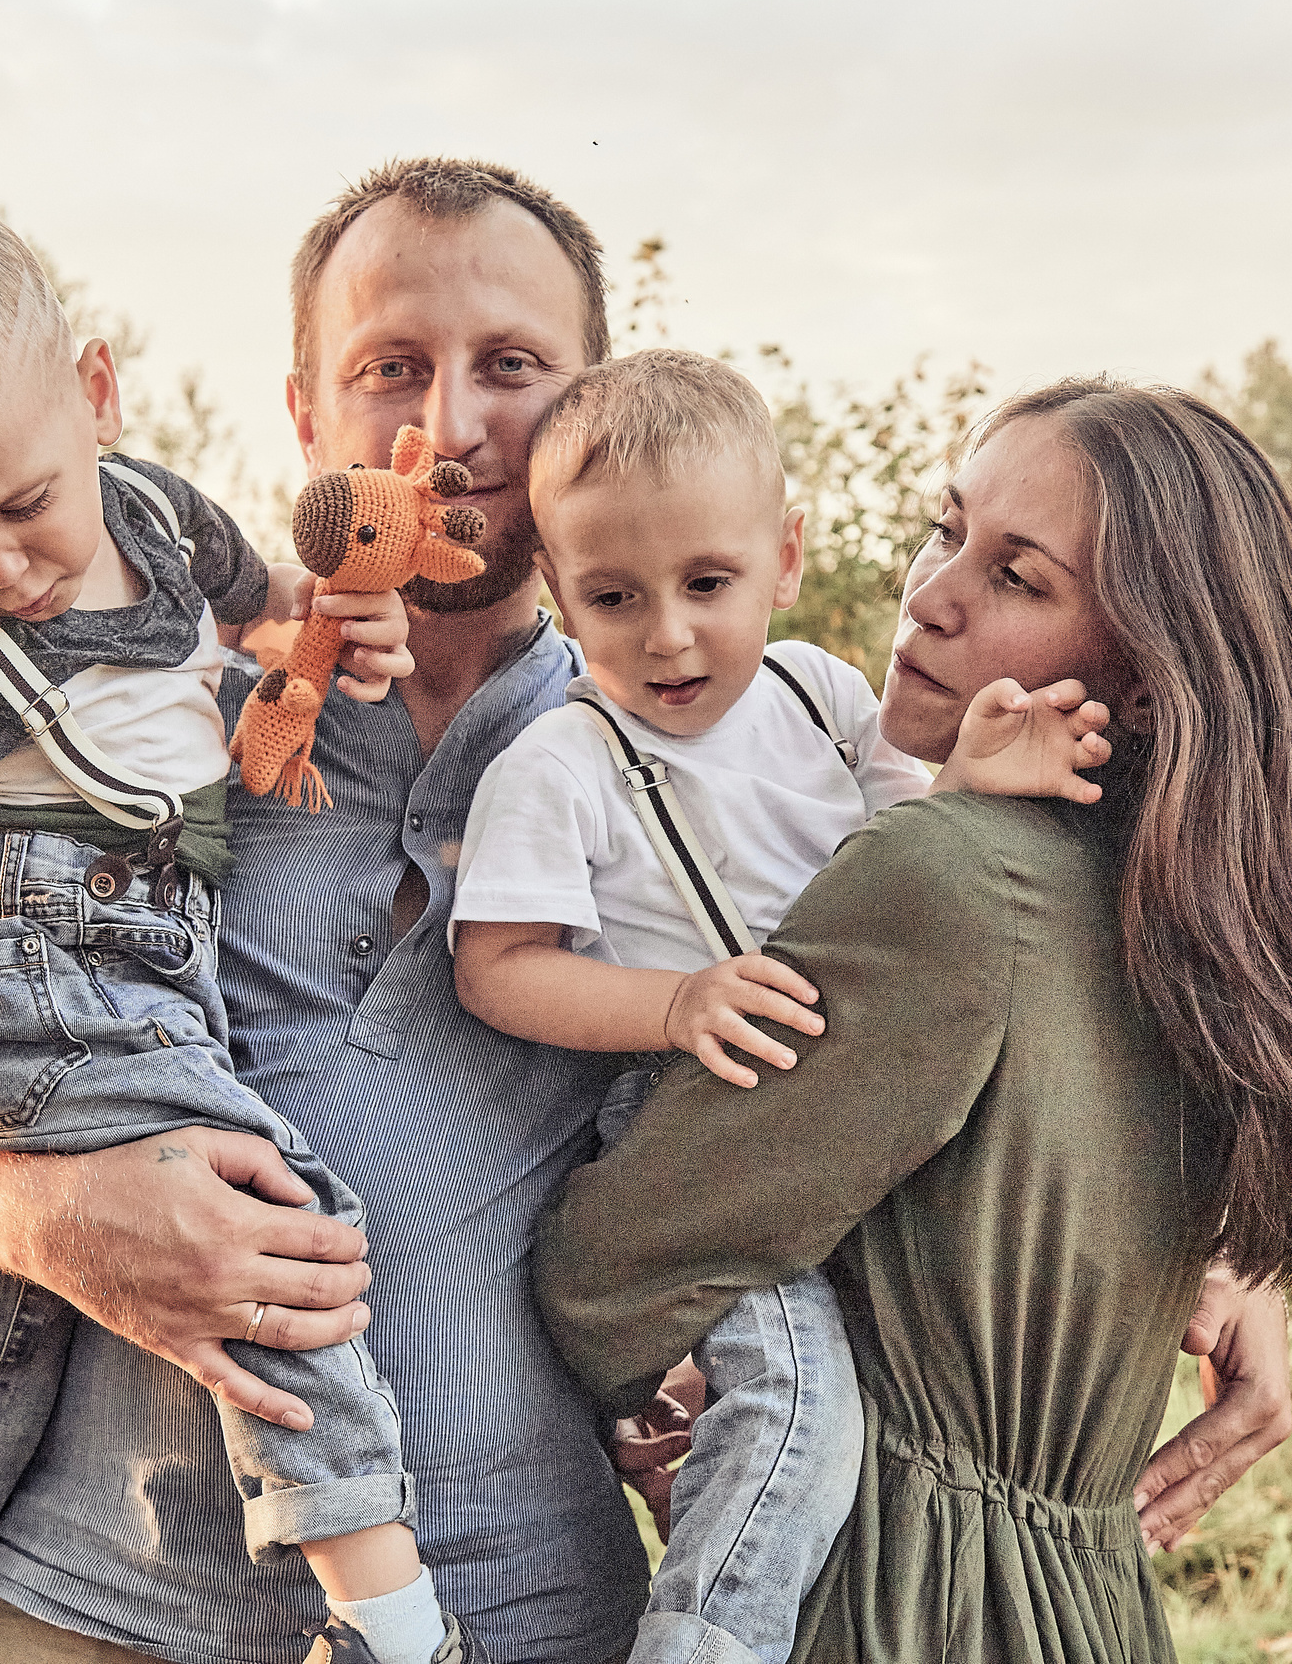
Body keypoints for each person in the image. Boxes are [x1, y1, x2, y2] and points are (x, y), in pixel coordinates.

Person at [0, 161, 1292, 1664]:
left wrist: (1199, 1248)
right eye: (391, 366)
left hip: (513, 1606)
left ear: (592, 399)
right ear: (306, 412)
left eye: (513, 366)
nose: (448, 426)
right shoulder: (163, 712)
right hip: (95, 1595)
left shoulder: (704, 741)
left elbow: (925, 1040)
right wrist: (62, 1218)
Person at [534, 380, 1292, 1663]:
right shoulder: (1191, 908)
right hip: (1089, 1608)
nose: (930, 595)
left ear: (1142, 681)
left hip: (896, 1602)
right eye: (943, 528)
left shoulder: (950, 873)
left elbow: (606, 1272)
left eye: (1016, 577)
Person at [0, 196, 463, 1664]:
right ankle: (397, 1627)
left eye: (23, 505)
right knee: (280, 1225)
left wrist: (329, 622)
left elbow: (270, 610)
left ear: (95, 393)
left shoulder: (150, 510)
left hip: (149, 947)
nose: (4, 566)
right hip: (36, 962)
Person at [452, 350, 1110, 1664]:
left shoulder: (821, 692)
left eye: (708, 583)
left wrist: (972, 786)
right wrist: (673, 1001)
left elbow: (905, 871)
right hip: (687, 1116)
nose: (668, 634)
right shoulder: (564, 760)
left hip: (843, 1096)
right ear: (559, 597)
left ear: (786, 555)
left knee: (876, 1387)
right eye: (612, 596)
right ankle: (707, 1637)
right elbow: (499, 965)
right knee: (797, 1403)